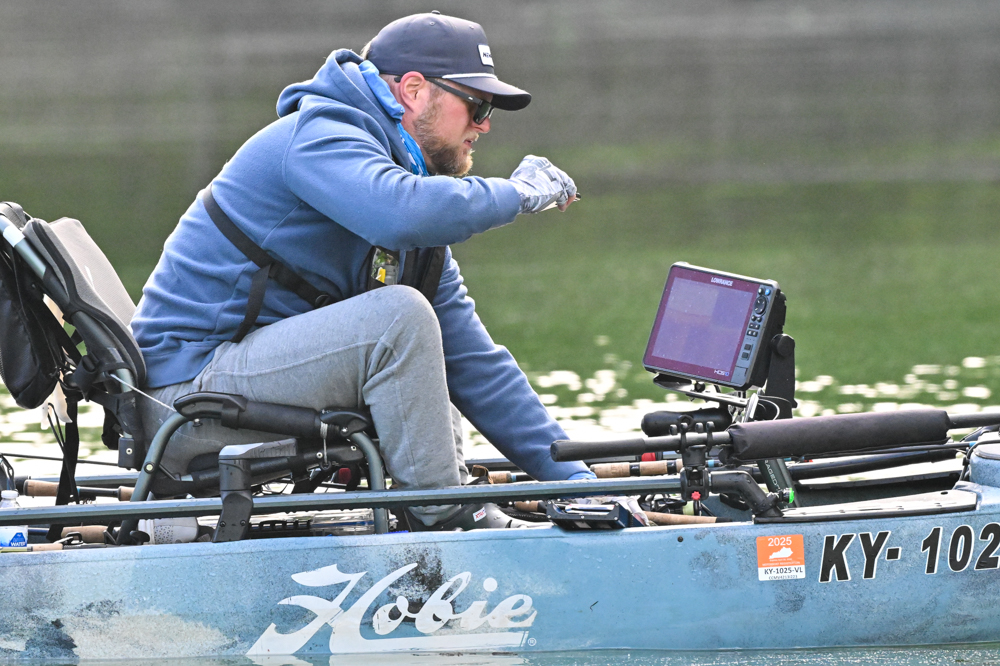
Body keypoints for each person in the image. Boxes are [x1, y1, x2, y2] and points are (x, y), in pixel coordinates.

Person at [130, 11, 593, 531]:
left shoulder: (403, 195)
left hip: (239, 390)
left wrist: (582, 484)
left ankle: (451, 500)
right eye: (477, 105)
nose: (484, 124)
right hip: (182, 403)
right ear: (414, 90)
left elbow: (479, 368)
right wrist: (520, 194)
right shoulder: (321, 136)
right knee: (399, 318)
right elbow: (403, 211)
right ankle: (443, 521)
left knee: (429, 337)